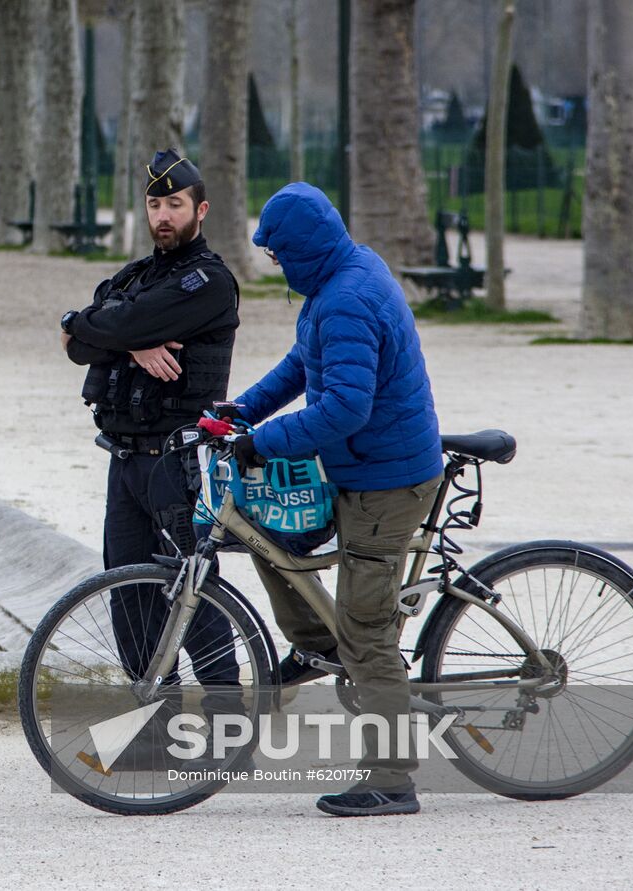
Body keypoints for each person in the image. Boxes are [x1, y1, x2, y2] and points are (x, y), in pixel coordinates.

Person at [229, 182, 443, 817]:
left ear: (300, 250)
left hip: (387, 479)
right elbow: (303, 362)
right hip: (362, 467)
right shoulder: (343, 272)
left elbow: (345, 408)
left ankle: (392, 779)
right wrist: (242, 411)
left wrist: (261, 444)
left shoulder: (346, 297)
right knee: (272, 535)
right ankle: (319, 647)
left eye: (277, 254)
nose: (273, 264)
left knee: (367, 627)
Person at [59, 149, 242, 696]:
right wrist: (127, 343)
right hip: (122, 459)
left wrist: (100, 331)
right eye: (155, 203)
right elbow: (78, 343)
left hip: (174, 461)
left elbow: (105, 327)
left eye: (176, 204)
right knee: (128, 596)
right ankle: (156, 718)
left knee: (192, 591)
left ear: (201, 209)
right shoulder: (136, 275)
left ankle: (229, 718)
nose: (163, 215)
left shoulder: (208, 282)